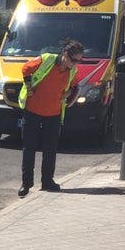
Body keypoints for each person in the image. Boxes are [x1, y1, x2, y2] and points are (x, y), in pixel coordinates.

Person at [17, 38, 82, 197]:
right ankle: (26, 183)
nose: (75, 63)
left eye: (79, 61)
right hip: (33, 110)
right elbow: (26, 68)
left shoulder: (72, 71)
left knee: (50, 150)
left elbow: (75, 86)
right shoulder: (46, 59)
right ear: (65, 54)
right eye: (73, 60)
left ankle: (47, 181)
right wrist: (28, 86)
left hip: (53, 114)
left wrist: (69, 95)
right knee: (29, 148)